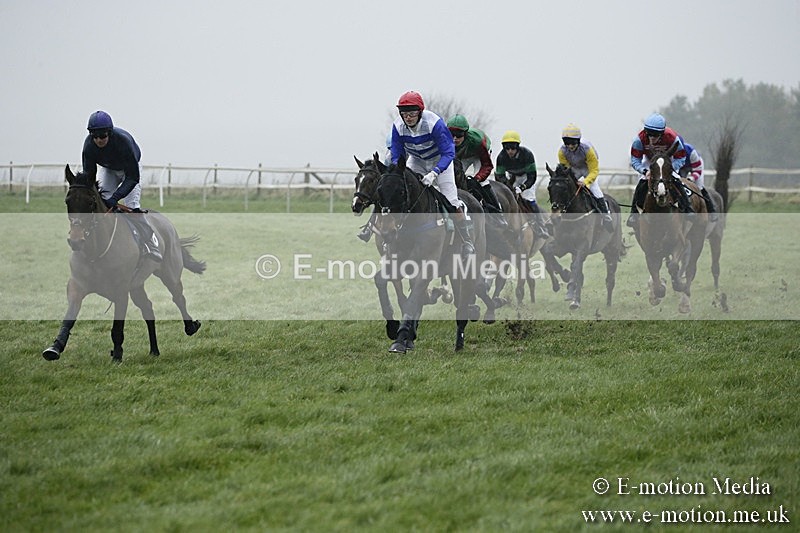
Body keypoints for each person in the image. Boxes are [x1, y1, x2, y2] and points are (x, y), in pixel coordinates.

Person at [390, 91, 474, 257]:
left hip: (440, 161)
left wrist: (435, 173)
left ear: (420, 112)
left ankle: (467, 241)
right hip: (417, 160)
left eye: (412, 113)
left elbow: (449, 153)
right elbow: (397, 156)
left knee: (451, 200)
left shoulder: (434, 123)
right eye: (404, 113)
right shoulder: (397, 127)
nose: (408, 117)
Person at [82, 110, 162, 261]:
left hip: (130, 170)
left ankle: (151, 242)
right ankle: (99, 241)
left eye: (103, 136)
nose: (99, 140)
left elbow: (132, 178)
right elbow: (89, 177)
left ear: (109, 133)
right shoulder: (88, 147)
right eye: (95, 136)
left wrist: (116, 197)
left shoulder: (123, 142)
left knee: (131, 205)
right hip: (109, 169)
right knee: (102, 202)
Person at [628, 112, 694, 227]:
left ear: (662, 133)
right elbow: (635, 160)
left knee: (676, 179)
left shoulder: (672, 137)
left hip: (668, 161)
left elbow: (681, 157)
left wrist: (669, 169)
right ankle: (634, 213)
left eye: (655, 134)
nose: (651, 137)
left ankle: (688, 208)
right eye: (649, 133)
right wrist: (645, 171)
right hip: (650, 161)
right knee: (642, 181)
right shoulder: (639, 140)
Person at [446, 114, 507, 228]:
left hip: (479, 153)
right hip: (462, 156)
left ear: (465, 134)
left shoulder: (477, 141)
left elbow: (487, 165)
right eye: (452, 135)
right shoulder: (444, 140)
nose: (455, 139)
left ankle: (498, 214)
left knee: (481, 182)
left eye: (459, 135)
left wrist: (477, 178)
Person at [494, 130, 550, 238]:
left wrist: (522, 187)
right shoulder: (501, 157)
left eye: (513, 148)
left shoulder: (527, 154)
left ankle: (541, 226)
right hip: (512, 177)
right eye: (507, 148)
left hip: (526, 177)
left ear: (517, 147)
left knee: (529, 199)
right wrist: (508, 188)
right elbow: (500, 176)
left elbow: (532, 177)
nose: (510, 151)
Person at [558, 123, 613, 230]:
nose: (570, 146)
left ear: (578, 141)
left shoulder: (587, 150)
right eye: (567, 143)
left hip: (587, 167)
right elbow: (566, 170)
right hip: (574, 168)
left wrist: (586, 182)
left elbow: (594, 170)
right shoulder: (561, 152)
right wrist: (573, 180)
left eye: (573, 143)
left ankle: (607, 216)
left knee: (595, 189)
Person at [679, 138, 718, 221]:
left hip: (696, 165)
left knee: (699, 187)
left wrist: (691, 178)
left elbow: (697, 169)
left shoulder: (690, 151)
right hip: (682, 167)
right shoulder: (672, 151)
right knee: (679, 185)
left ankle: (712, 211)